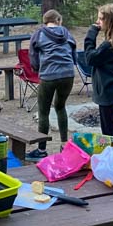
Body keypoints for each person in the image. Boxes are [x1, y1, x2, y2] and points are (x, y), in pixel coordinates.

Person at [25, 9, 77, 160]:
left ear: (45, 21)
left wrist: (36, 68)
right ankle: (64, 145)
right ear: (58, 20)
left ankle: (41, 150)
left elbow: (33, 55)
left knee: (44, 112)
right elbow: (73, 49)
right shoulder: (66, 33)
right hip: (67, 75)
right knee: (60, 107)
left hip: (48, 75)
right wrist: (71, 64)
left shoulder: (39, 33)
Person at [84, 4, 113, 137]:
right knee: (109, 128)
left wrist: (91, 33)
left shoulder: (109, 45)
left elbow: (90, 58)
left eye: (100, 19)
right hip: (109, 89)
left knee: (110, 131)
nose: (97, 22)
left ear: (110, 21)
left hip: (108, 90)